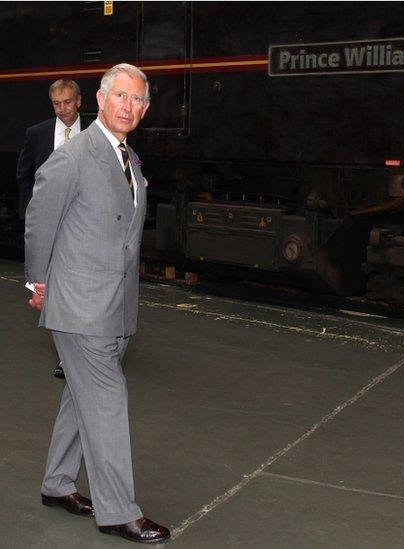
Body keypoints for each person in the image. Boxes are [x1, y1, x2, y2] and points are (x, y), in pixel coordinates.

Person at [25, 63, 170, 544]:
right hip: (80, 306)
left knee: (80, 397)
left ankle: (57, 484)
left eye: (138, 101)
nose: (129, 107)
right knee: (106, 402)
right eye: (121, 97)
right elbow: (40, 219)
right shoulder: (75, 156)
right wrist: (37, 283)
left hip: (115, 306)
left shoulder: (128, 157)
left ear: (144, 110)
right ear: (101, 100)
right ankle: (117, 511)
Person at [17, 78, 91, 379]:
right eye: (57, 104)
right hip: (52, 227)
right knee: (55, 292)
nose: (63, 110)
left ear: (79, 101)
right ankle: (67, 357)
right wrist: (33, 217)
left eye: (68, 103)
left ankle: (85, 351)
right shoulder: (38, 134)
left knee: (84, 290)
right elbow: (24, 177)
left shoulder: (97, 132)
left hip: (86, 226)